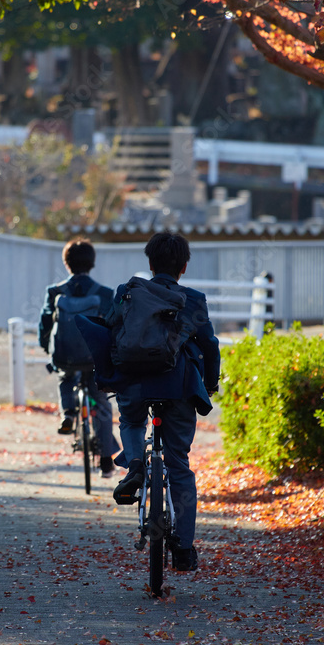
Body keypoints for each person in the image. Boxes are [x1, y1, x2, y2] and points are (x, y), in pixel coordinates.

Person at [83, 232, 220, 572]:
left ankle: (134, 465)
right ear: (183, 267)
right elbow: (210, 346)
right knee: (178, 465)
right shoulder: (194, 300)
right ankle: (185, 550)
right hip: (179, 386)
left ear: (150, 263)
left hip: (133, 384)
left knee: (130, 422)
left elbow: (111, 333)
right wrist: (210, 384)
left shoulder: (127, 292)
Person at [38, 238, 119, 478]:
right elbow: (113, 327)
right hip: (95, 360)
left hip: (66, 357)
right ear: (92, 263)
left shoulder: (54, 292)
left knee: (65, 377)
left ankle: (69, 414)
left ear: (66, 263)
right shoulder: (104, 294)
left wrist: (48, 348)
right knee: (102, 404)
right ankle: (106, 460)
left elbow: (44, 324)